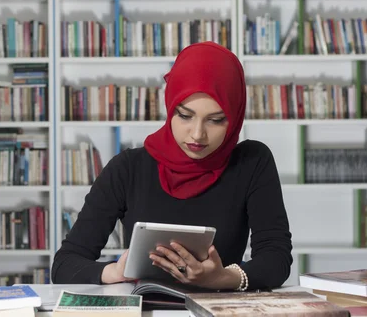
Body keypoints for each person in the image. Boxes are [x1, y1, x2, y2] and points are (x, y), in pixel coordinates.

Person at [51, 41, 293, 292]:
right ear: (169, 107)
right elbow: (64, 265)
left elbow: (276, 258)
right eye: (185, 116)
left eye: (216, 120)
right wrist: (113, 271)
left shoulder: (252, 161)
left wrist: (222, 278)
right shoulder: (128, 168)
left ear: (234, 118)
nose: (197, 134)